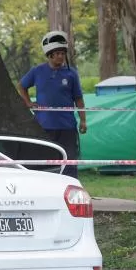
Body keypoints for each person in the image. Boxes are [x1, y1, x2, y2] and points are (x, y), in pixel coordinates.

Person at [17, 31, 87, 179]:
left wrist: (83, 120)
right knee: (44, 159)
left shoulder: (71, 74)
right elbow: (22, 86)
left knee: (69, 160)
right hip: (44, 125)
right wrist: (28, 102)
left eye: (63, 53)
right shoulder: (37, 71)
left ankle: (70, 186)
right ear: (49, 55)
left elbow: (78, 99)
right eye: (57, 53)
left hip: (67, 126)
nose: (61, 56)